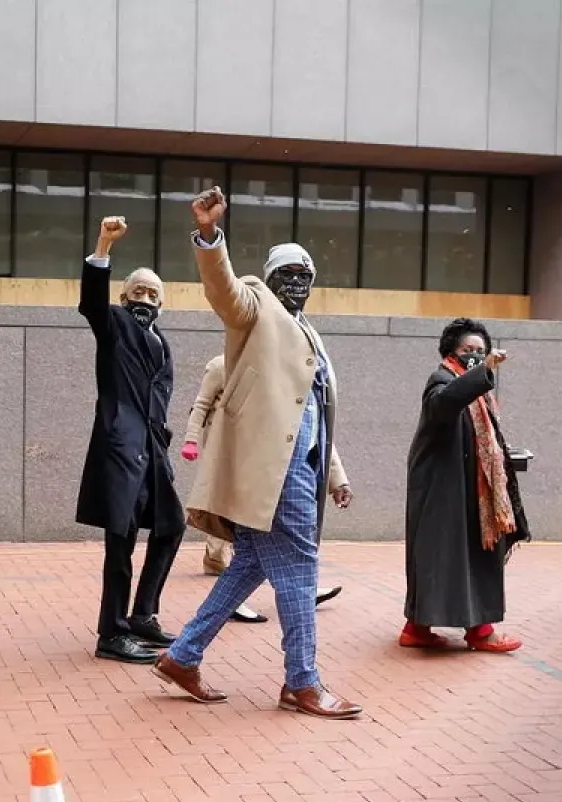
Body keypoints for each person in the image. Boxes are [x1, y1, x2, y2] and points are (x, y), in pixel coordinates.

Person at [153, 186, 360, 720]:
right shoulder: (254, 305)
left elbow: (310, 415)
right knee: (298, 568)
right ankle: (302, 682)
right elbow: (223, 291)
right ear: (269, 280)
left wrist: (334, 473)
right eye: (286, 274)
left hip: (301, 467)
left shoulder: (309, 332)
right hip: (273, 472)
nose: (295, 283)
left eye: (303, 276)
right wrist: (208, 236)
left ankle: (182, 655)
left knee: (250, 564)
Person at [75, 216, 185, 664]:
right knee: (119, 542)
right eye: (137, 292)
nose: (144, 299)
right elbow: (90, 304)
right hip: (120, 452)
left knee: (172, 526)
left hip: (153, 454)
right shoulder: (114, 324)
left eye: (152, 294)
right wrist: (103, 246)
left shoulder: (163, 343)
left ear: (162, 304)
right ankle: (111, 632)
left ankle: (143, 616)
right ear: (122, 299)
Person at [183, 354, 345, 624]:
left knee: (256, 549)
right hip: (230, 459)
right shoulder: (220, 365)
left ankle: (185, 652)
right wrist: (191, 440)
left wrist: (337, 479)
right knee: (244, 539)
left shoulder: (282, 368)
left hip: (273, 470)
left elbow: (315, 429)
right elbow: (200, 405)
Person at [401, 318, 529, 652]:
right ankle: (478, 632)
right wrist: (483, 370)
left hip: (470, 490)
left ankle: (419, 628)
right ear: (451, 351)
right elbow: (443, 405)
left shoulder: (475, 389)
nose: (475, 355)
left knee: (463, 556)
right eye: (467, 350)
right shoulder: (442, 379)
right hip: (441, 491)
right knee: (439, 558)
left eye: (480, 351)